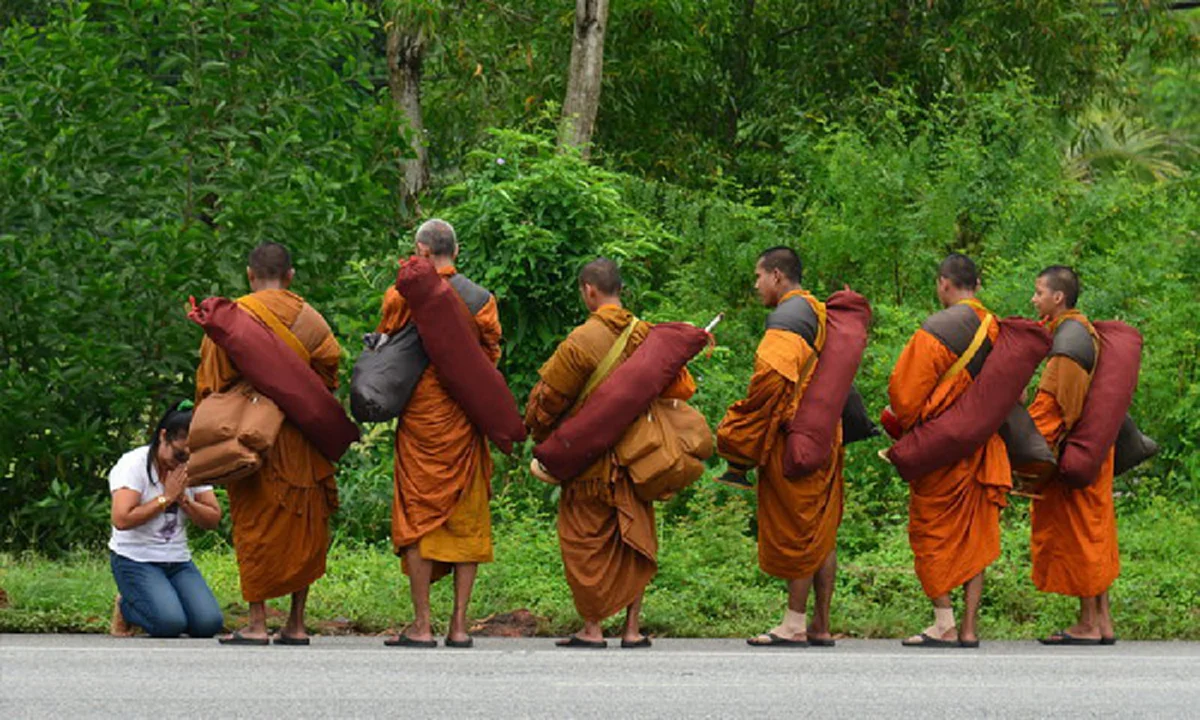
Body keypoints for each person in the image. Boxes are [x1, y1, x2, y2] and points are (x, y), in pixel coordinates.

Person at [524, 258, 695, 649]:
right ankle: (632, 630)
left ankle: (593, 627)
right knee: (633, 539)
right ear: (622, 291)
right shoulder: (647, 336)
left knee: (584, 542)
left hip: (590, 461)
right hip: (639, 456)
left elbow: (549, 399)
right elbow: (679, 387)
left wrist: (538, 428)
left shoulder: (582, 340)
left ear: (589, 290)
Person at [195, 242, 343, 646]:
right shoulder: (312, 320)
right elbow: (329, 376)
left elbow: (211, 385)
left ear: (249, 274)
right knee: (305, 528)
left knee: (255, 526)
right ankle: (296, 623)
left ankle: (257, 623)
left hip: (253, 440)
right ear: (290, 276)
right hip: (301, 439)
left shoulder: (232, 321)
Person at [376, 220, 501, 649]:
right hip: (463, 420)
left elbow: (389, 342)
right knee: (466, 522)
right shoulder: (481, 301)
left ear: (421, 252)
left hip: (421, 419)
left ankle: (422, 625)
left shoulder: (400, 295)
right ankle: (460, 626)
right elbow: (491, 357)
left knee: (417, 520)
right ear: (456, 250)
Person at [716, 247, 844, 647]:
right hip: (826, 432)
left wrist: (742, 420)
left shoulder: (787, 319)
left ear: (776, 276)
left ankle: (793, 623)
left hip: (797, 438)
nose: (756, 286)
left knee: (800, 528)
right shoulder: (819, 313)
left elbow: (771, 381)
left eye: (758, 277)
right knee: (821, 530)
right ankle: (820, 625)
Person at [888, 253, 1010, 648]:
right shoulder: (997, 330)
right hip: (983, 447)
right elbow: (1015, 390)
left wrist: (906, 422)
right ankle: (970, 628)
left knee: (930, 534)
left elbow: (905, 397)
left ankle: (944, 622)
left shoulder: (937, 328)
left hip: (941, 450)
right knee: (977, 539)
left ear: (944, 283)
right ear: (976, 284)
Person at [1028, 265, 1119, 645]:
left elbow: (1055, 409)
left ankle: (1087, 624)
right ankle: (1101, 619)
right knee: (1094, 530)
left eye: (1038, 292)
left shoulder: (1069, 341)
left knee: (1081, 534)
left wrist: (1025, 447)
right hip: (1097, 446)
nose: (1034, 299)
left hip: (1078, 449)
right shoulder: (1083, 331)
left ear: (1058, 298)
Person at [108, 400, 224, 638]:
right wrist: (165, 498)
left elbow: (212, 519)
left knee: (208, 625)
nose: (182, 461)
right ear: (163, 436)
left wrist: (184, 500)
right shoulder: (133, 465)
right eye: (178, 453)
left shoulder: (191, 466)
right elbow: (121, 519)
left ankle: (166, 604)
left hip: (177, 561)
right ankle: (126, 606)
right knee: (169, 625)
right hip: (135, 559)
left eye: (188, 456)